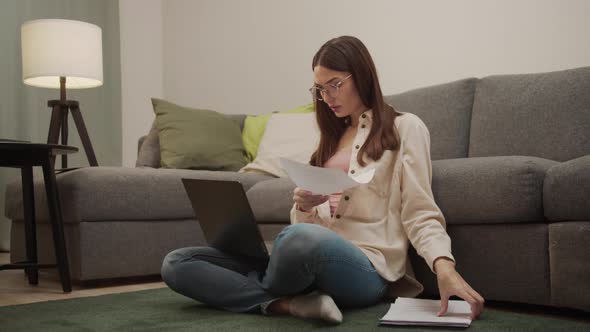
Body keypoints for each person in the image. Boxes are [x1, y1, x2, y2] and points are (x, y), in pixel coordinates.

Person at [161, 35, 484, 324]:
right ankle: (288, 304)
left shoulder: (406, 128)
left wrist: (445, 267)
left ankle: (257, 287)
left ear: (361, 75)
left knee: (297, 238)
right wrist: (304, 206)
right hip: (309, 256)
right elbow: (311, 226)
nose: (326, 96)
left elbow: (419, 211)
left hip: (366, 269)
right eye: (319, 89)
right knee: (177, 263)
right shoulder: (329, 139)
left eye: (335, 84)